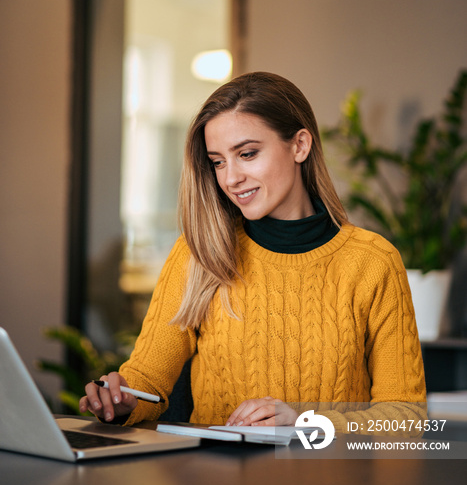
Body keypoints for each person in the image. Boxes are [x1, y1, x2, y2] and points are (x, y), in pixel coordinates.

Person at [80, 71, 426, 434]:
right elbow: (148, 379)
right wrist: (121, 399)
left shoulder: (373, 262)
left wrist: (307, 424)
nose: (231, 178)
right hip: (212, 482)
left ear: (299, 146)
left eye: (247, 154)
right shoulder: (200, 252)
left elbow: (406, 415)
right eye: (218, 161)